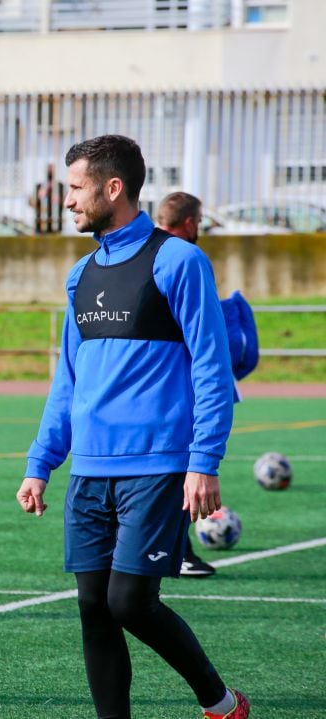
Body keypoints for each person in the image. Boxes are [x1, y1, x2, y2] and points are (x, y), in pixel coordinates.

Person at [15, 136, 250, 719]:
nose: (66, 201)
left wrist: (204, 461)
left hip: (157, 464)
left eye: (75, 188)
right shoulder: (81, 275)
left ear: (112, 188)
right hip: (90, 470)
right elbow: (67, 379)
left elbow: (212, 369)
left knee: (130, 602)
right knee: (94, 607)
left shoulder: (180, 261)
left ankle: (220, 703)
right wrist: (41, 462)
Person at [156, 190, 261, 579]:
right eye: (198, 222)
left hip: (159, 387)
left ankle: (168, 550)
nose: (199, 228)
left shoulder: (146, 255)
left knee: (171, 472)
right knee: (178, 470)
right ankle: (176, 552)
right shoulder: (184, 259)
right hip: (177, 387)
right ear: (189, 222)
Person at [32, 162, 67, 234]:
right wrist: (39, 197)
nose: (50, 171)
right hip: (41, 224)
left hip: (56, 223)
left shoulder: (60, 186)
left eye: (52, 169)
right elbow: (32, 203)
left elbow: (66, 203)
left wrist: (60, 200)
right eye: (49, 169)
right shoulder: (39, 186)